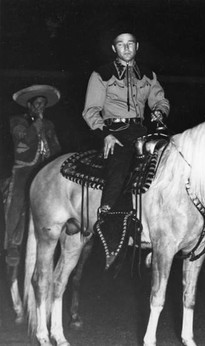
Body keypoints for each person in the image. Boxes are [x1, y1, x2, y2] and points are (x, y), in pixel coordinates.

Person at [82, 32, 170, 266]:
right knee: (119, 168)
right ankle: (109, 222)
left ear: (137, 46)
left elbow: (159, 99)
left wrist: (160, 110)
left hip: (141, 130)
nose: (126, 48)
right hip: (115, 131)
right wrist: (105, 135)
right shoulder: (102, 74)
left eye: (130, 43)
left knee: (169, 161)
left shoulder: (148, 75)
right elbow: (91, 110)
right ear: (114, 49)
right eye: (121, 44)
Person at [4, 85, 62, 266]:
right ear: (29, 106)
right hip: (24, 168)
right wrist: (36, 124)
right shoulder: (17, 121)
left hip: (44, 169)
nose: (40, 107)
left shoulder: (49, 124)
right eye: (37, 104)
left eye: (43, 104)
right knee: (18, 199)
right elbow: (22, 141)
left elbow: (56, 147)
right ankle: (11, 243)